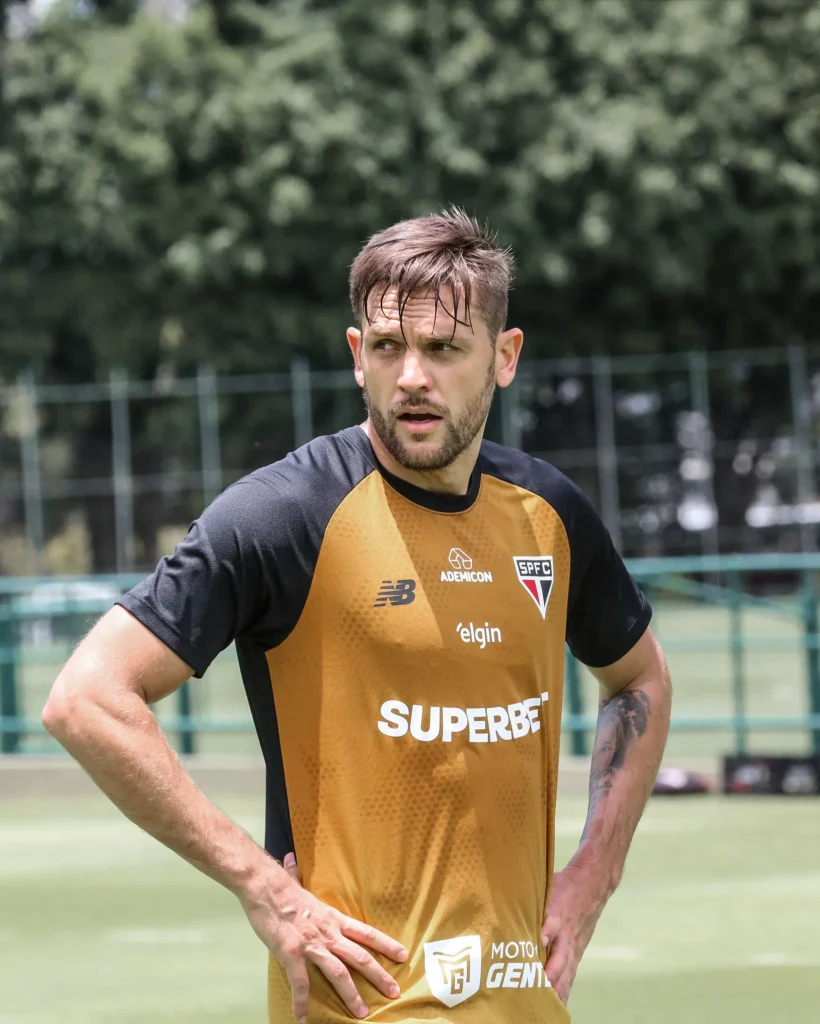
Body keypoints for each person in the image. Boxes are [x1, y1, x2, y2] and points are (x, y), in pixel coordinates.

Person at [43, 209, 672, 1024]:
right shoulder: (285, 516)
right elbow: (87, 698)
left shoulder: (549, 514)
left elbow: (640, 678)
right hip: (359, 1008)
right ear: (355, 355)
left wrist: (595, 873)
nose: (411, 376)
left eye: (443, 349)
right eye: (386, 347)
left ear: (505, 356)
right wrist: (263, 886)